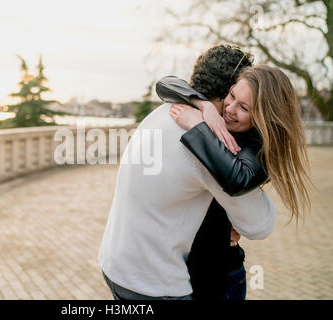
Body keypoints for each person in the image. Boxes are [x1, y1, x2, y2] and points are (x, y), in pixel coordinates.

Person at [98, 47, 277, 299]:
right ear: (228, 90)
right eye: (233, 95)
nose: (230, 107)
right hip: (154, 285)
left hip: (115, 265)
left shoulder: (162, 112)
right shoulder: (207, 142)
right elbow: (260, 224)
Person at [159, 64, 312, 299]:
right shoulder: (218, 115)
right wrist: (205, 106)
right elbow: (165, 83)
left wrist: (197, 126)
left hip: (220, 277)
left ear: (263, 117)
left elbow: (237, 178)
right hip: (186, 269)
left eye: (244, 107)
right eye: (232, 96)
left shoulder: (260, 148)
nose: (229, 109)